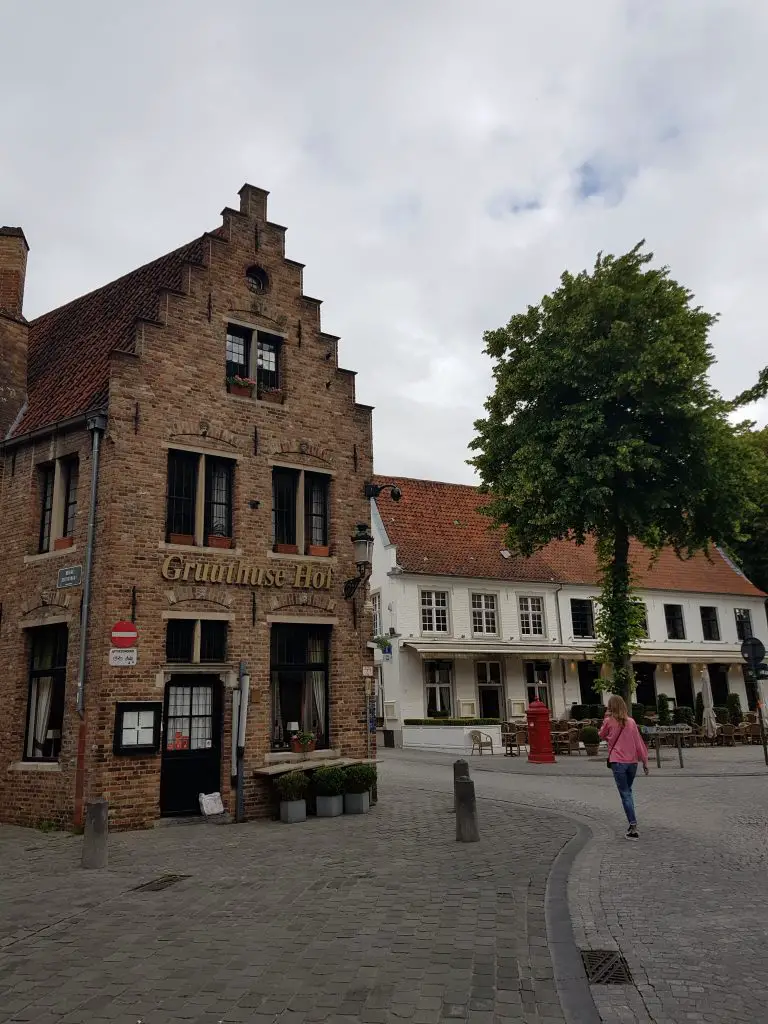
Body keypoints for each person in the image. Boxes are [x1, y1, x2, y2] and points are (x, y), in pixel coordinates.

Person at [599, 695, 649, 840]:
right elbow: (638, 742)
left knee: (625, 793)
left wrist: (605, 719)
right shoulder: (632, 722)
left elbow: (601, 735)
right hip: (632, 762)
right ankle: (631, 822)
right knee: (628, 791)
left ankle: (633, 826)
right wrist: (644, 761)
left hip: (618, 761)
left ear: (611, 707)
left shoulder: (609, 721)